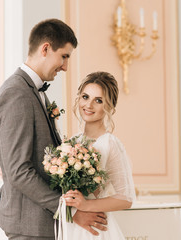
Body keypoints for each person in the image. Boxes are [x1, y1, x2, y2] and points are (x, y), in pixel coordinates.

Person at [0, 19, 107, 240]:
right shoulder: (16, 93)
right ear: (45, 48)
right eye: (64, 56)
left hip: (41, 223)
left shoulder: (34, 91)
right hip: (29, 225)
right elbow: (19, 171)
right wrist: (70, 212)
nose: (65, 66)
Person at [63, 71, 136, 239]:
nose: (89, 105)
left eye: (98, 100)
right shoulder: (72, 142)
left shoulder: (110, 143)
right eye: (85, 97)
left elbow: (126, 198)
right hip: (71, 225)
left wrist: (87, 205)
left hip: (95, 228)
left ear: (109, 107)